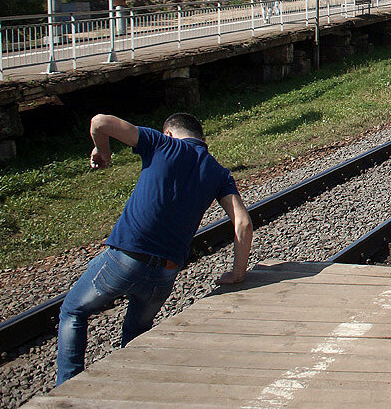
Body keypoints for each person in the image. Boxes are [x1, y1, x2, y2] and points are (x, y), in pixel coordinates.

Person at [57, 113, 252, 385]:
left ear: (170, 132)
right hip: (165, 275)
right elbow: (242, 223)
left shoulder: (162, 144)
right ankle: (128, 389)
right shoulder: (219, 173)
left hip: (125, 258)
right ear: (202, 140)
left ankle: (66, 387)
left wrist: (103, 151)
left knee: (73, 311)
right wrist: (238, 273)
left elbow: (100, 122)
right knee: (136, 334)